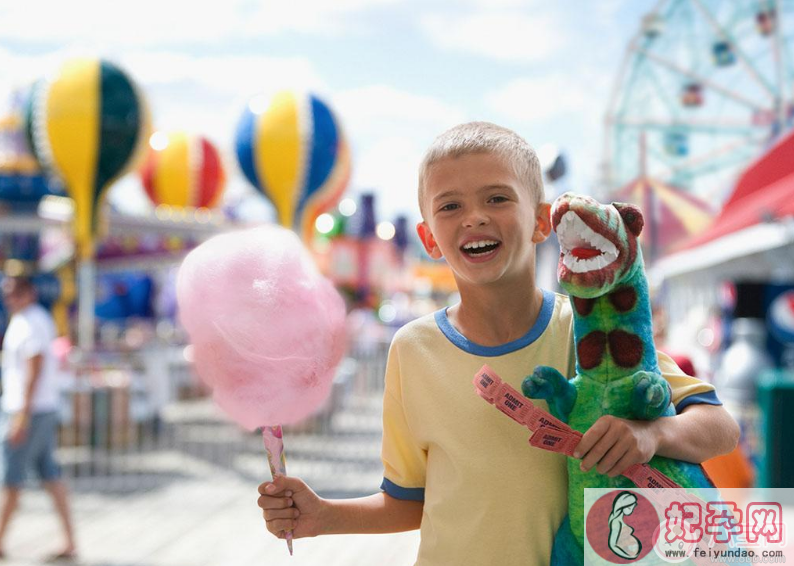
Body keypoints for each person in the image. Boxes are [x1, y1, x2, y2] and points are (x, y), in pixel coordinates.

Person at [256, 122, 739, 566]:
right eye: (450, 206)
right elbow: (408, 500)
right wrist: (322, 515)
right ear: (429, 237)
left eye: (497, 199)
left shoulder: (589, 330)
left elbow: (719, 426)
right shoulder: (411, 349)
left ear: (543, 222)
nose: (474, 218)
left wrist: (651, 435)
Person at [0, 275, 77, 560]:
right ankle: (70, 540)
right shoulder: (29, 320)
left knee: (11, 476)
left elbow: (34, 369)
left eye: (14, 293)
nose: (9, 299)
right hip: (34, 408)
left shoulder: (32, 322)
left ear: (29, 293)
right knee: (49, 474)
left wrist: (22, 416)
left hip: (29, 409)